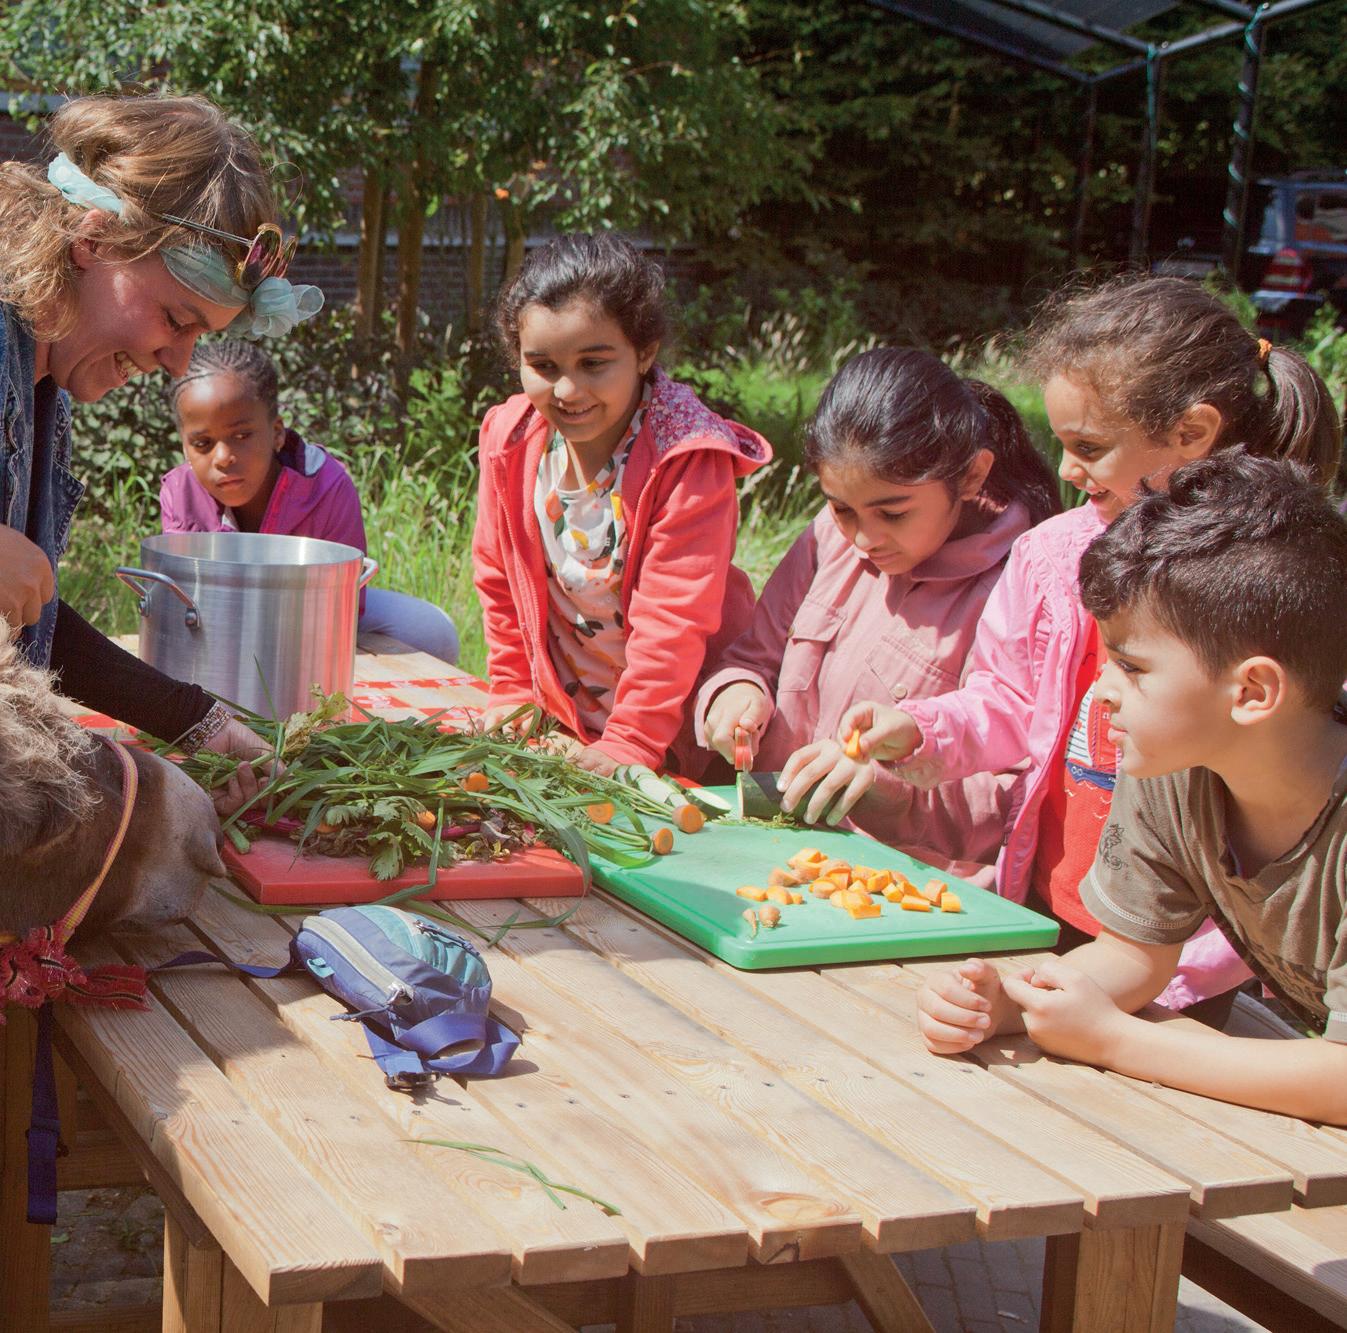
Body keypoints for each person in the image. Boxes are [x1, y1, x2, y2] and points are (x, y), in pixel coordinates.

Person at [837, 276, 1342, 1006]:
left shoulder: (1274, 582)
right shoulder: (1048, 556)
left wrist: (1169, 983)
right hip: (1061, 904)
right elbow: (1009, 699)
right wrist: (921, 728)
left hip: (1195, 959)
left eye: (1090, 447)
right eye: (1064, 444)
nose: (1067, 470)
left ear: (1191, 434)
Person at [915, 454, 1347, 1124]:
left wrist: (1116, 1041)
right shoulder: (1178, 762)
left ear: (1252, 691)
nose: (1101, 691)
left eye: (1131, 667)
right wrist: (1015, 1001)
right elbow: (1133, 954)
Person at [0, 92, 324, 811]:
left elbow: (29, 616)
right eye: (176, 320)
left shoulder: (46, 375)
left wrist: (199, 723)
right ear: (93, 240)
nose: (179, 363)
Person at [695, 348, 1059, 882]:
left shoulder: (1017, 587)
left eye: (893, 512)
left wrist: (884, 789)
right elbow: (751, 658)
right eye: (843, 508)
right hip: (767, 853)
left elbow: (1011, 804)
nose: (864, 539)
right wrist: (733, 694)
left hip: (901, 890)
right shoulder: (828, 537)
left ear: (972, 476)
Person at [472, 233, 771, 776]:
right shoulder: (508, 439)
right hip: (570, 727)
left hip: (681, 736)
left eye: (594, 363)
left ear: (645, 352)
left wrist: (632, 742)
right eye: (543, 366)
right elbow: (499, 578)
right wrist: (514, 690)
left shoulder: (688, 459)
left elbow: (673, 620)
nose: (568, 390)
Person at [161, 340, 460, 663]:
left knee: (431, 629)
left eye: (242, 435)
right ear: (185, 447)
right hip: (218, 626)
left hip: (313, 621)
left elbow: (347, 604)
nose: (223, 457)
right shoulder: (180, 493)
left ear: (277, 432)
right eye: (203, 443)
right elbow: (182, 602)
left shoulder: (327, 486)